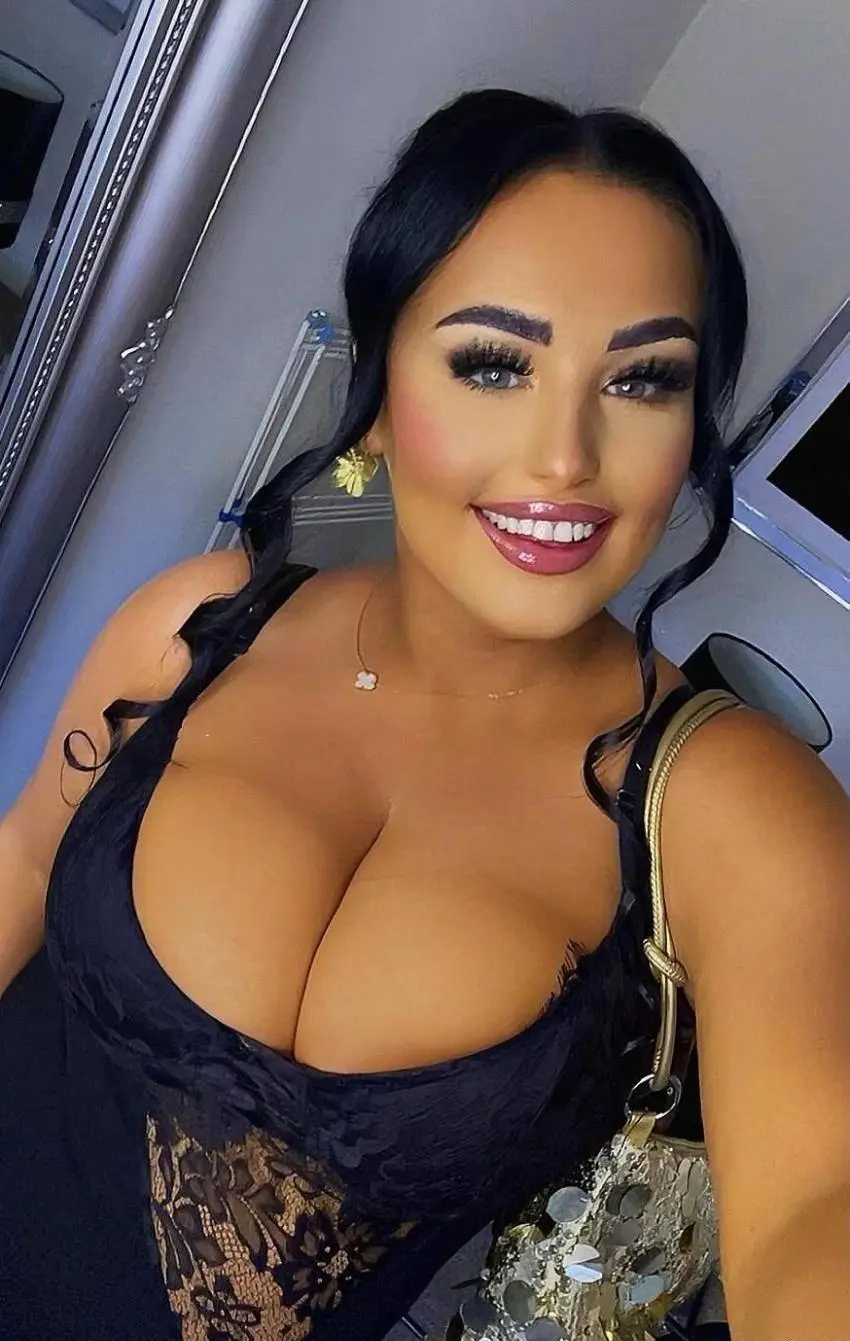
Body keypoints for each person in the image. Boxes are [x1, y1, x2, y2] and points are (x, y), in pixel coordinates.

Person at [0, 87, 848, 1341]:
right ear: (380, 386)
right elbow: (23, 862)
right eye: (492, 364)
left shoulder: (734, 805)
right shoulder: (197, 627)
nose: (564, 458)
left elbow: (813, 1205)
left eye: (643, 380)